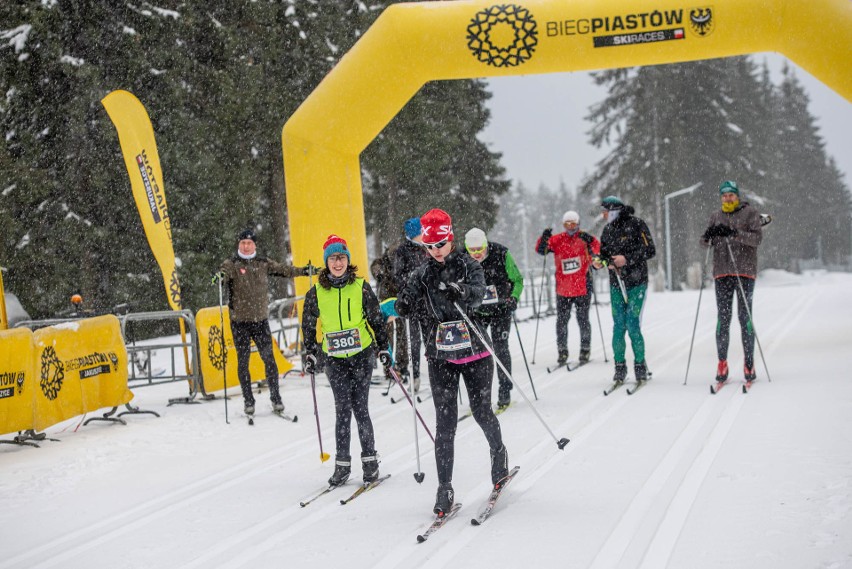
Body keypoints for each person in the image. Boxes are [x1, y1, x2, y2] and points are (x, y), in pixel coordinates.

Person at [395, 209, 509, 517]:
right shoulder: (422, 272)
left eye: (441, 245)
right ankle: (443, 487)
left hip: (474, 352)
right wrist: (403, 303)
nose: (436, 252)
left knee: (482, 411)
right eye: (430, 247)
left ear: (450, 239)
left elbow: (480, 293)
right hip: (441, 355)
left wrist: (462, 291)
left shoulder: (468, 264)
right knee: (444, 425)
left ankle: (499, 455)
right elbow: (407, 299)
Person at [301, 234, 390, 486]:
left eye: (341, 258)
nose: (337, 263)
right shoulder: (316, 292)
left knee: (360, 408)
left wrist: (383, 348)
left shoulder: (360, 286)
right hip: (334, 360)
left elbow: (375, 319)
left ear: (347, 260)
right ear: (326, 262)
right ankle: (342, 466)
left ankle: (370, 463)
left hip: (361, 355)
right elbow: (308, 324)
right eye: (332, 259)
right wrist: (310, 351)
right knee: (343, 409)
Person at [217, 228, 316, 416]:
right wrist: (220, 278)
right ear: (239, 245)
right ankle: (248, 400)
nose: (246, 246)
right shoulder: (232, 264)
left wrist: (304, 271)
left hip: (260, 321)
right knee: (243, 361)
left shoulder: (262, 263)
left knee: (269, 359)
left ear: (255, 245)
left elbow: (284, 270)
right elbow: (223, 273)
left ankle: (276, 398)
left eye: (249, 243)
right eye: (242, 243)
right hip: (239, 322)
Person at [700, 180, 763, 383]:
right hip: (722, 273)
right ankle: (722, 363)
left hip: (744, 272)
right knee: (723, 319)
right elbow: (704, 243)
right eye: (724, 195)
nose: (728, 198)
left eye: (731, 195)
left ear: (737, 196)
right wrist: (708, 236)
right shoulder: (715, 216)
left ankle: (749, 362)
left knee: (745, 318)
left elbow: (756, 239)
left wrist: (735, 234)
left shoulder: (750, 213)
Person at [592, 197, 656, 384]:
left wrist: (626, 259)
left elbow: (650, 250)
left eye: (605, 211)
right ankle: (619, 366)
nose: (603, 215)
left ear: (614, 210)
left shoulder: (637, 224)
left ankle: (639, 365)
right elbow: (604, 255)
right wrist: (599, 262)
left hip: (636, 282)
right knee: (618, 326)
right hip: (616, 284)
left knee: (633, 323)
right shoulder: (608, 230)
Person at [464, 227, 524, 410]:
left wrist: (513, 298)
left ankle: (505, 390)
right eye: (471, 250)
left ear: (486, 244)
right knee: (476, 352)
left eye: (479, 249)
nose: (476, 254)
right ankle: (480, 393)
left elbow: (518, 280)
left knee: (500, 349)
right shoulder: (462, 259)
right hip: (477, 313)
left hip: (501, 310)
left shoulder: (502, 253)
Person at [535, 211, 601, 367]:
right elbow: (541, 250)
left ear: (578, 224)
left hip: (582, 287)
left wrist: (590, 241)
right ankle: (562, 351)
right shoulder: (558, 240)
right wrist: (543, 238)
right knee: (562, 321)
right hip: (563, 289)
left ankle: (585, 349)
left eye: (573, 224)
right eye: (567, 225)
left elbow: (597, 251)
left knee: (583, 319)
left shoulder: (584, 238)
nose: (570, 227)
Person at [393, 217, 429, 389]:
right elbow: (398, 276)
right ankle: (415, 377)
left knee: (432, 339)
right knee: (414, 343)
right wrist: (414, 280)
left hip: (429, 303)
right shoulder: (403, 251)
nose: (423, 235)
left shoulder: (428, 247)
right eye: (420, 233)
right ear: (413, 234)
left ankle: (437, 372)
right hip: (413, 303)